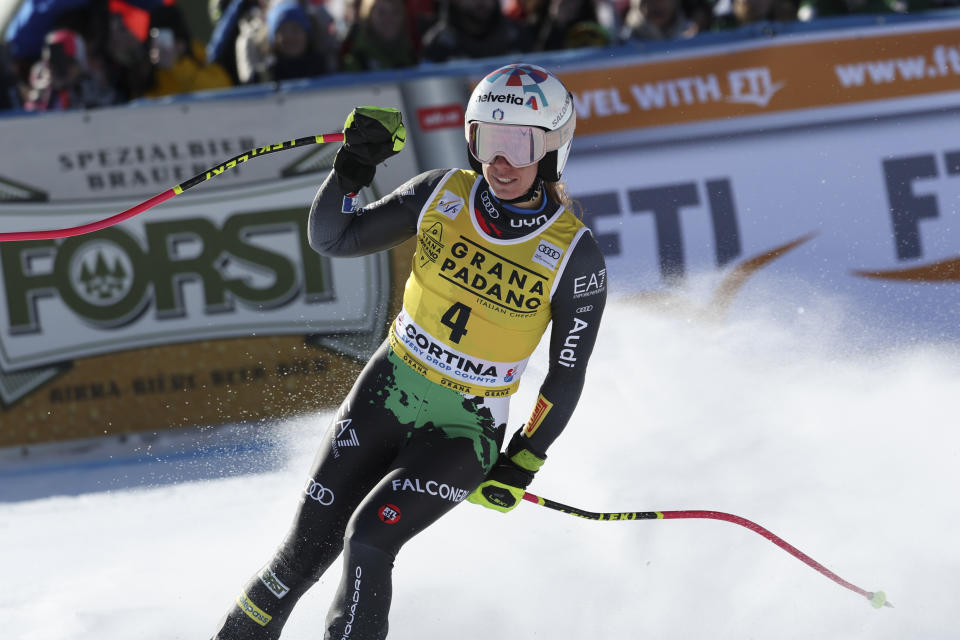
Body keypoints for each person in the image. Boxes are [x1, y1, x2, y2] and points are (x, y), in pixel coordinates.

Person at [210, 62, 607, 639]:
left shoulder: (574, 257)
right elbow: (334, 236)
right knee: (302, 553)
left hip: (463, 431)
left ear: (552, 151)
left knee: (369, 538)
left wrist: (526, 456)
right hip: (386, 392)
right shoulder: (441, 194)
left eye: (517, 144)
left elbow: (565, 378)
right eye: (485, 140)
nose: (498, 162)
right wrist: (353, 168)